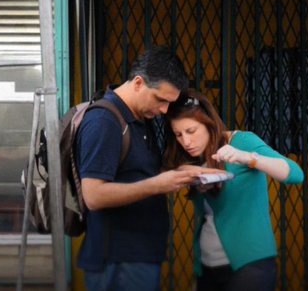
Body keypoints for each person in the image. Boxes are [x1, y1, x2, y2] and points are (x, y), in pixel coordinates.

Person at [75, 46, 223, 291]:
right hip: (118, 259)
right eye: (161, 99)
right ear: (138, 83)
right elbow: (93, 195)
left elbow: (136, 173)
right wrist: (157, 184)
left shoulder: (140, 118)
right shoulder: (104, 122)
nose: (165, 110)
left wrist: (182, 174)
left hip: (138, 256)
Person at [164, 89, 304, 291]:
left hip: (249, 266)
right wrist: (188, 173)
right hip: (206, 267)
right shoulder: (192, 156)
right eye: (178, 134)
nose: (185, 141)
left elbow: (294, 173)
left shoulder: (241, 141)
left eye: (191, 131)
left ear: (209, 123)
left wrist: (247, 158)